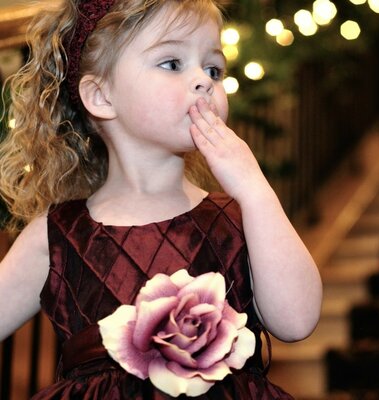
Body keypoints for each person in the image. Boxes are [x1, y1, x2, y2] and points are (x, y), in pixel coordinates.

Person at [0, 0, 322, 398]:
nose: (204, 81)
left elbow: (297, 321)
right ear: (101, 97)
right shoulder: (59, 235)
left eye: (213, 69)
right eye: (172, 63)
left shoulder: (240, 217)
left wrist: (254, 188)